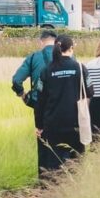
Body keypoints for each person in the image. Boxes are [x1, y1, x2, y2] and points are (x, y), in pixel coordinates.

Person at [35, 35, 87, 178]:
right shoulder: (80, 68)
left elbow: (40, 101)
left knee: (53, 159)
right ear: (71, 49)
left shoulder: (45, 71)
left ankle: (54, 189)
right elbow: (89, 92)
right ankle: (74, 188)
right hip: (75, 122)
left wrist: (39, 125)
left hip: (52, 123)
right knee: (76, 158)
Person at [11, 28, 56, 173]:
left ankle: (44, 178)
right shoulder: (67, 57)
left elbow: (16, 80)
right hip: (61, 104)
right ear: (56, 42)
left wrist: (23, 95)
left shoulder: (33, 57)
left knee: (42, 139)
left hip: (39, 104)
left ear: (41, 42)